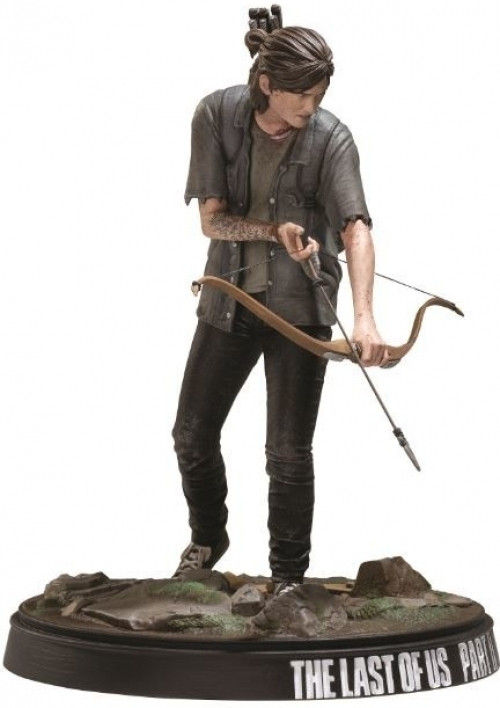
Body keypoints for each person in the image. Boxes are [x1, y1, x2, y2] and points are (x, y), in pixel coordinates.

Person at [172, 11, 388, 595]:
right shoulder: (216, 115)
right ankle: (207, 538)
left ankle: (288, 579)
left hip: (302, 312)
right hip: (230, 301)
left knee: (289, 453)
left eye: (320, 96)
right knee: (191, 434)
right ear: (267, 83)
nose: (311, 108)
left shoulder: (332, 137)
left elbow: (356, 228)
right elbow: (213, 223)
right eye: (302, 96)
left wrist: (365, 319)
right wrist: (273, 232)